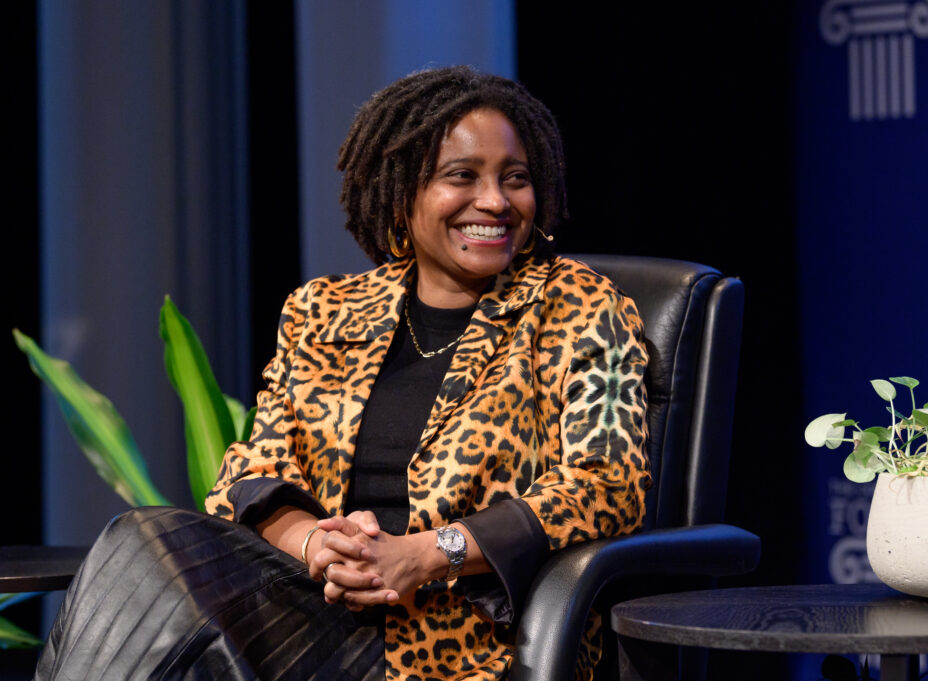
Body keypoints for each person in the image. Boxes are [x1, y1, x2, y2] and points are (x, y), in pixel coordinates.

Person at [35, 66, 649, 681]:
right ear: (400, 193)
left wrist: (425, 554)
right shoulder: (324, 311)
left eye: (514, 179)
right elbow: (251, 471)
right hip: (312, 611)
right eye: (462, 176)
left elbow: (607, 484)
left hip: (464, 636)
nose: (494, 201)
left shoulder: (580, 305)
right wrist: (316, 546)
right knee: (140, 541)